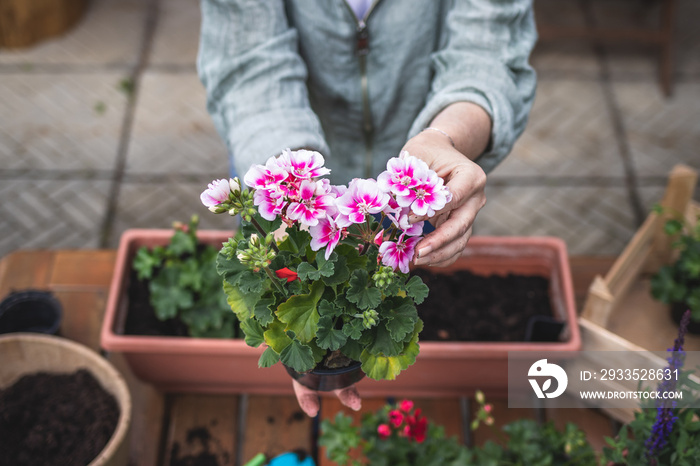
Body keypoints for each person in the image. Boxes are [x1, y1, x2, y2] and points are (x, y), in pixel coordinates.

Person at [198, 0, 537, 417]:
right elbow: (248, 62)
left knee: (419, 273)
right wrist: (294, 193)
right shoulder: (291, 199)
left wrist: (447, 137)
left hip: (416, 184)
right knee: (284, 276)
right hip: (289, 170)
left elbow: (488, 52)